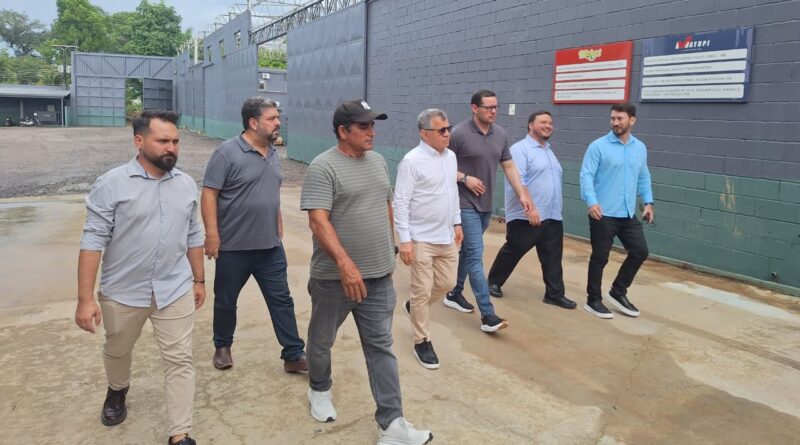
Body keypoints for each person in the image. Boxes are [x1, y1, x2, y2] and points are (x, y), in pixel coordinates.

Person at [301, 99, 433, 445]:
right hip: (334, 280)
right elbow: (318, 220)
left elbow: (385, 204)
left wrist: (391, 247)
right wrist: (346, 265)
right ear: (343, 131)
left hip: (378, 277)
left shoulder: (377, 161)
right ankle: (319, 387)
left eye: (373, 125)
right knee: (321, 341)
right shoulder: (323, 167)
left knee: (381, 348)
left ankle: (392, 424)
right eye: (364, 126)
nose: (372, 132)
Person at [75, 110, 204, 445]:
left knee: (180, 359)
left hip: (174, 288)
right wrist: (85, 299)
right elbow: (92, 240)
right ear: (139, 141)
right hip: (123, 291)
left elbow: (193, 234)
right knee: (118, 349)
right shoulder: (112, 184)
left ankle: (180, 433)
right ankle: (117, 389)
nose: (171, 148)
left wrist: (199, 280)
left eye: (175, 141)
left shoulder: (186, 184)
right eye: (163, 141)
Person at [201, 97, 306, 372]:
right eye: (272, 118)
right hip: (233, 246)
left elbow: (270, 191)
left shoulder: (273, 153)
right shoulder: (226, 153)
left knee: (281, 300)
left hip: (269, 246)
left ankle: (293, 354)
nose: (278, 122)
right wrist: (212, 234)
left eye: (277, 117)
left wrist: (278, 221)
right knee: (226, 300)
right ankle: (222, 346)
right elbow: (209, 193)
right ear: (253, 122)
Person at [445, 90, 536, 333]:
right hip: (463, 203)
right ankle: (488, 315)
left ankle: (454, 293)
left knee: (467, 251)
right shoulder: (459, 134)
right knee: (476, 255)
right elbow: (441, 165)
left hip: (485, 204)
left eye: (496, 107)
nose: (493, 111)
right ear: (474, 108)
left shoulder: (500, 134)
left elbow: (508, 165)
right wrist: (465, 178)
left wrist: (522, 194)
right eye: (488, 107)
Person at [393, 108, 463, 370]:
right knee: (422, 290)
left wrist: (457, 222)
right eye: (441, 130)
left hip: (446, 235)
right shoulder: (411, 161)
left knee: (447, 283)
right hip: (421, 238)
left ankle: (413, 306)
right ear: (424, 133)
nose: (447, 134)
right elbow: (401, 202)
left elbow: (452, 192)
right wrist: (405, 240)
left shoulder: (451, 157)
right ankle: (422, 340)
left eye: (448, 128)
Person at [487, 111, 576, 309]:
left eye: (550, 123)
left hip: (552, 214)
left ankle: (554, 294)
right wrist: (531, 208)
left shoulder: (548, 151)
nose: (548, 126)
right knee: (514, 249)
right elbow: (520, 180)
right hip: (527, 215)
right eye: (543, 122)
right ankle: (493, 282)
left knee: (553, 257)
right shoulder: (521, 149)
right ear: (530, 125)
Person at [579, 103, 654, 319]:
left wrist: (648, 202)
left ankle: (618, 291)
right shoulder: (598, 146)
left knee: (640, 251)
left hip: (627, 213)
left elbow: (643, 176)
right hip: (603, 213)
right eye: (613, 118)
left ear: (632, 120)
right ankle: (593, 300)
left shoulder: (639, 147)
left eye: (620, 118)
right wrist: (592, 202)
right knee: (600, 257)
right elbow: (586, 175)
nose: (615, 122)